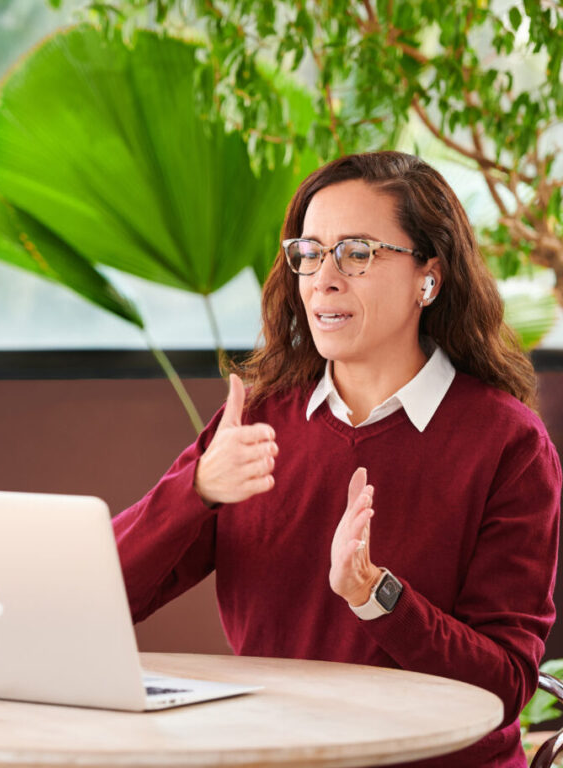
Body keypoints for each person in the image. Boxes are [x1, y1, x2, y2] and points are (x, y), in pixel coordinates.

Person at [113, 151, 562, 767]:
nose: (323, 278)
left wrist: (376, 596)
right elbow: (109, 594)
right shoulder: (259, 420)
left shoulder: (508, 445)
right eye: (310, 252)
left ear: (428, 277)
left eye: (357, 253)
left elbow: (505, 684)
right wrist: (199, 491)